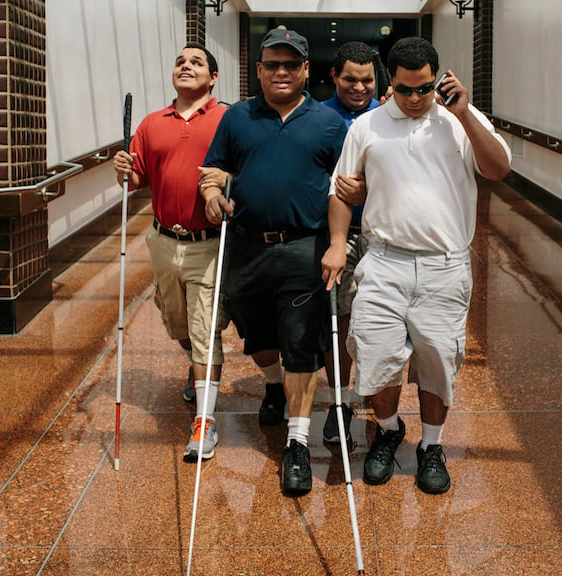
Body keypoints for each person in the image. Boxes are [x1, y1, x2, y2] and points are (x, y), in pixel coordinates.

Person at [321, 37, 512, 494]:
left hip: (444, 266)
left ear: (438, 80)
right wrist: (334, 244)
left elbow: (499, 169)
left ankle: (431, 446)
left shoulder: (458, 121)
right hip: (383, 262)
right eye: (405, 90)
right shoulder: (367, 126)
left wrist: (464, 112)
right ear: (391, 81)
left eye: (424, 89)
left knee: (438, 362)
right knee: (376, 358)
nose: (413, 99)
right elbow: (341, 189)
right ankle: (388, 431)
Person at [200, 28, 347, 495]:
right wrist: (209, 190)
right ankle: (271, 382)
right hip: (246, 245)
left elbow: (346, 183)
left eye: (291, 64)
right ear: (259, 69)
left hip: (304, 246)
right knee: (258, 335)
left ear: (306, 69)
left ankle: (297, 443)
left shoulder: (327, 123)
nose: (281, 72)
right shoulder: (237, 117)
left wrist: (339, 238)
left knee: (301, 339)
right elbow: (216, 168)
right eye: (272, 64)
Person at [112, 44, 227, 463]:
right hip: (162, 241)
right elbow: (138, 178)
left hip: (208, 243)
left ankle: (204, 422)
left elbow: (243, 167)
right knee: (176, 322)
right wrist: (125, 168)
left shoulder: (227, 119)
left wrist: (226, 178)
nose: (186, 66)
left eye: (196, 62)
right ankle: (197, 368)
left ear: (213, 78)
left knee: (203, 329)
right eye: (180, 61)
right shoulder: (150, 124)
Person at [319, 40, 380, 445]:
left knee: (381, 322)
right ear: (334, 77)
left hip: (382, 236)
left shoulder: (389, 117)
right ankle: (340, 401)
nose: (359, 88)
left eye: (368, 80)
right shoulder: (319, 118)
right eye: (350, 80)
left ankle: (378, 396)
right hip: (336, 237)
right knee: (337, 321)